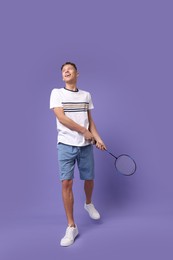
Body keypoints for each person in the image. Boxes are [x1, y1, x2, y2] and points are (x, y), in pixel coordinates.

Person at [50, 62, 106, 247]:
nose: (66, 71)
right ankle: (71, 226)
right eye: (63, 70)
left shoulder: (86, 95)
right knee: (66, 182)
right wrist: (84, 131)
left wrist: (98, 138)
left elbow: (90, 120)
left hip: (86, 146)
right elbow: (61, 117)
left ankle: (88, 203)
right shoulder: (56, 93)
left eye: (70, 69)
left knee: (89, 178)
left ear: (77, 73)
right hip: (65, 145)